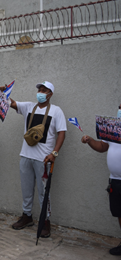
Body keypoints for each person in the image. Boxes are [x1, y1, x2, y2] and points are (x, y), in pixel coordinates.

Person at [7, 81, 66, 238]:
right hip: (26, 156)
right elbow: (10, 103)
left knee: (43, 192)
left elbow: (62, 133)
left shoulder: (56, 111)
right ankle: (27, 216)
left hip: (43, 159)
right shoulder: (28, 107)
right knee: (26, 189)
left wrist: (54, 153)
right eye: (39, 89)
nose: (40, 92)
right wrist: (2, 92)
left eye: (44, 90)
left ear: (50, 94)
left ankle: (45, 221)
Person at [81, 103, 121, 256]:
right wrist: (90, 140)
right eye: (119, 107)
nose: (120, 110)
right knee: (119, 212)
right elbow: (103, 147)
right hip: (115, 180)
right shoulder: (112, 129)